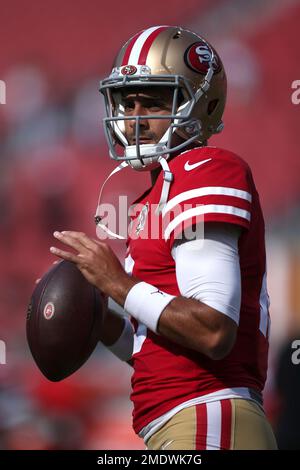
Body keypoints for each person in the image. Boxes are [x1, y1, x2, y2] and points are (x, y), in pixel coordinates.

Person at [50, 26, 277, 450]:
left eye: (153, 101)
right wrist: (104, 324)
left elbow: (212, 331)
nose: (134, 118)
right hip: (179, 421)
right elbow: (160, 351)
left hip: (209, 415)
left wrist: (117, 282)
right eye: (126, 101)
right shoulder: (154, 197)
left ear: (202, 103)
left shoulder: (205, 169)